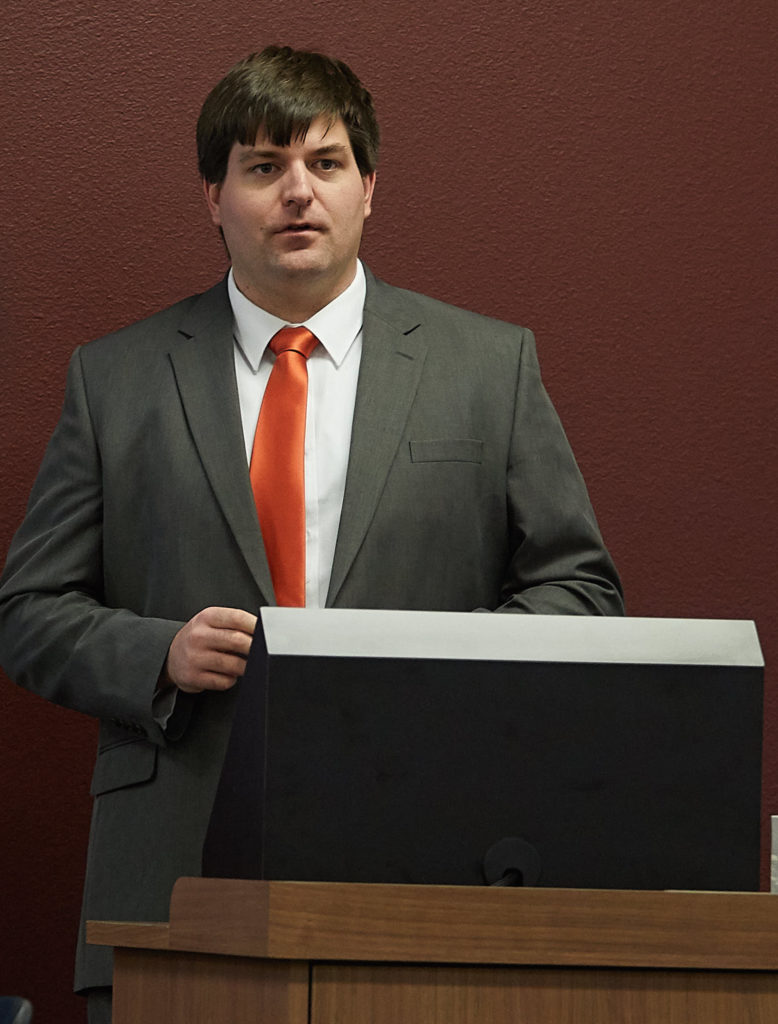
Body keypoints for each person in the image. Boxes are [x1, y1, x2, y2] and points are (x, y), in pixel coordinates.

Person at [0, 45, 623, 1022]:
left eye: (325, 164)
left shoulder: (485, 368)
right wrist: (157, 651)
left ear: (369, 187)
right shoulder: (114, 380)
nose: (297, 193)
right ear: (214, 195)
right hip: (172, 877)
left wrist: (437, 663)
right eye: (262, 167)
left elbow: (580, 588)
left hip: (432, 864)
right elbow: (27, 611)